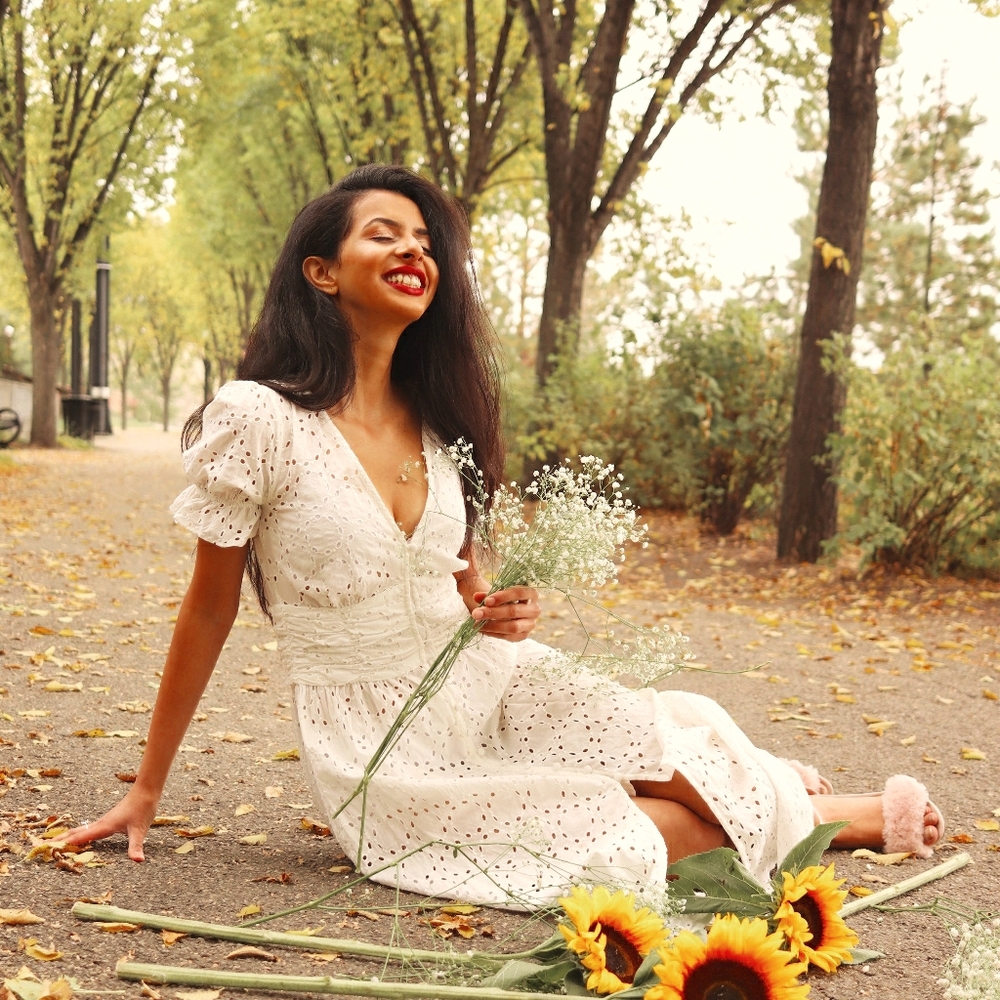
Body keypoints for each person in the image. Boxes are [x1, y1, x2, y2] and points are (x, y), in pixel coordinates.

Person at [63, 165, 943, 907]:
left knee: (661, 743)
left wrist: (501, 608)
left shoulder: (438, 426)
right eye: (384, 234)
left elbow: (461, 583)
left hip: (486, 677)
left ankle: (780, 796)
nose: (414, 250)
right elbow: (207, 612)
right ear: (321, 273)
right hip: (381, 744)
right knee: (651, 840)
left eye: (424, 241)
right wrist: (147, 788)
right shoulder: (258, 419)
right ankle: (811, 811)